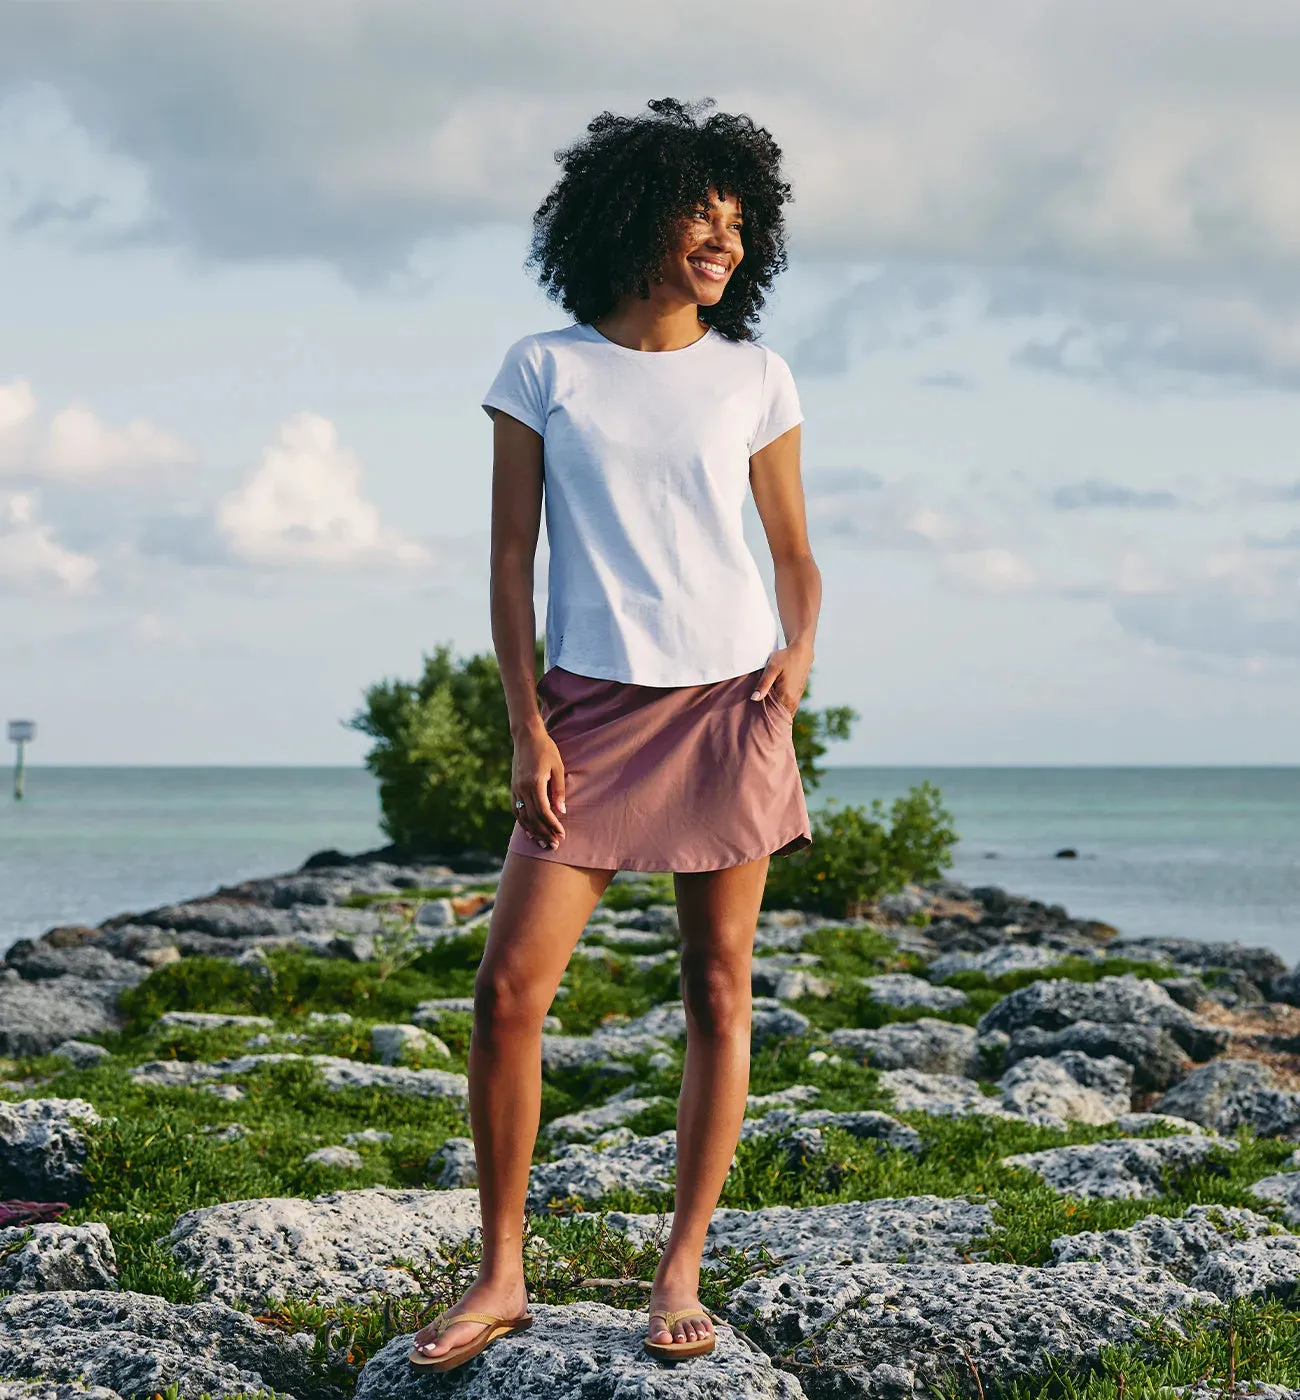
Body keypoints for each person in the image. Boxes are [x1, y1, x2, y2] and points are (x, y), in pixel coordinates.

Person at [409, 97, 821, 1372]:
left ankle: (681, 1263)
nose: (724, 239)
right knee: (508, 990)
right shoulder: (543, 367)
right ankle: (500, 1269)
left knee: (716, 989)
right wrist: (526, 721)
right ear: (632, 215)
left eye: (740, 221)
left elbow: (795, 554)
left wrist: (796, 658)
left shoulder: (755, 376)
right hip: (587, 707)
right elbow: (508, 561)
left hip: (729, 704)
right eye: (702, 211)